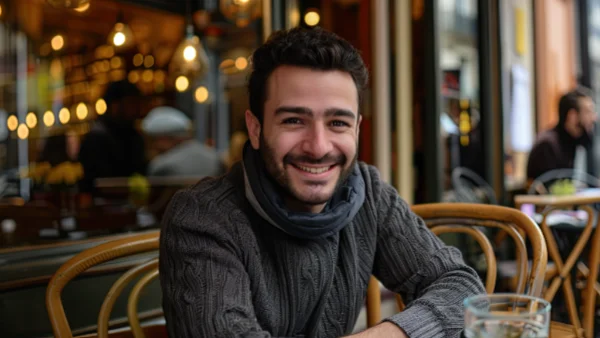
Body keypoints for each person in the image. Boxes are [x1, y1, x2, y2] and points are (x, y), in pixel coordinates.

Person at [159, 27, 484, 338]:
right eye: (294, 121)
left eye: (337, 123)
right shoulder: (202, 217)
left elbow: (460, 286)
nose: (318, 147)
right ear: (255, 129)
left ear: (356, 129)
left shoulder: (367, 193)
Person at [78, 80, 147, 192]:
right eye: (130, 103)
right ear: (114, 105)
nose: (136, 109)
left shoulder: (134, 135)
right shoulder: (96, 139)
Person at [527, 87, 598, 181]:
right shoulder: (547, 146)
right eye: (588, 112)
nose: (594, 118)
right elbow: (549, 191)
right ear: (572, 116)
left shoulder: (572, 141)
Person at [141, 106, 223, 177]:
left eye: (153, 141)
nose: (153, 147)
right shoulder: (214, 157)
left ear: (164, 139)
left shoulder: (162, 167)